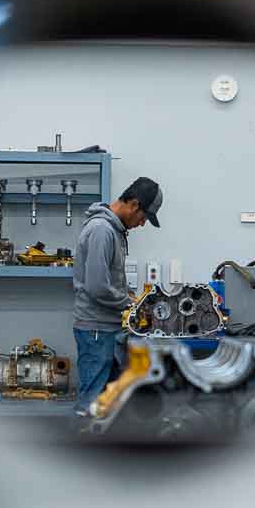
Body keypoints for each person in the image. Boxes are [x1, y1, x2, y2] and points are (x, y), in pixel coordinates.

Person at [71, 176, 162, 416]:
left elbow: (109, 280)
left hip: (107, 329)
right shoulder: (101, 230)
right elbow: (98, 286)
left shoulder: (114, 230)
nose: (141, 224)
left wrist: (131, 297)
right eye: (143, 218)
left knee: (106, 403)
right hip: (96, 331)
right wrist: (130, 303)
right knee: (91, 403)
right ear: (133, 204)